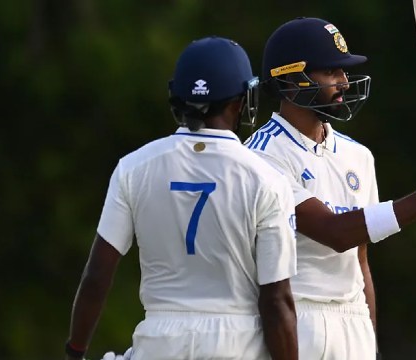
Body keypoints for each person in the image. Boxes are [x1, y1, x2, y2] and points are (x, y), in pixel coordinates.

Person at [245, 17, 416, 359]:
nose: (344, 81)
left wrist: (369, 341)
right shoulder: (260, 155)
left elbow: (360, 259)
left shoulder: (357, 155)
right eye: (331, 71)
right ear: (290, 81)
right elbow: (334, 232)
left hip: (353, 319)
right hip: (299, 318)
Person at [65, 36, 299, 360]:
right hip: (236, 344)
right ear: (240, 101)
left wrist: (75, 351)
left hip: (158, 342)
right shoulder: (267, 179)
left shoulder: (134, 167)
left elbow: (97, 275)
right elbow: (276, 301)